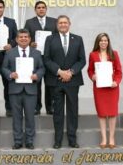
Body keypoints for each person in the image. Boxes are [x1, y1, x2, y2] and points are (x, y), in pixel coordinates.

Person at [42, 15, 85, 148]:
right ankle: (58, 140)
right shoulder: (50, 39)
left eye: (65, 22)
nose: (63, 25)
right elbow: (47, 59)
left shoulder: (78, 39)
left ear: (69, 24)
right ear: (57, 25)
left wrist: (70, 72)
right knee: (58, 112)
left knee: (72, 110)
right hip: (56, 80)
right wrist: (59, 72)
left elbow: (82, 60)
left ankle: (72, 139)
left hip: (72, 80)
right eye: (60, 23)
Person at [1, 29, 45, 150]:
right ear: (16, 39)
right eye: (21, 37)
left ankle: (30, 141)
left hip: (31, 90)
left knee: (30, 116)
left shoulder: (36, 53)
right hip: (15, 90)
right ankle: (18, 141)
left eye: (26, 37)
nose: (23, 39)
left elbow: (42, 68)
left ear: (30, 39)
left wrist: (37, 75)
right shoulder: (9, 53)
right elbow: (4, 68)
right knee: (16, 117)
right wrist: (10, 74)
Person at [87, 33, 123, 148]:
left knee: (112, 113)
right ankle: (104, 138)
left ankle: (111, 138)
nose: (103, 42)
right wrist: (92, 77)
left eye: (105, 40)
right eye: (101, 40)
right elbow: (90, 70)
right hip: (99, 89)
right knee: (102, 113)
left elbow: (119, 71)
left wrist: (116, 82)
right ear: (98, 42)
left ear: (108, 42)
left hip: (112, 88)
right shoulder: (93, 55)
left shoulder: (114, 54)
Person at [23, 0, 58, 115]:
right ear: (35, 10)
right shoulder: (29, 22)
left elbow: (58, 38)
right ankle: (36, 107)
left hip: (50, 57)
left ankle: (50, 107)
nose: (41, 9)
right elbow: (24, 37)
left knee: (50, 83)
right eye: (38, 7)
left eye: (43, 7)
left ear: (46, 9)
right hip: (35, 57)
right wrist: (30, 43)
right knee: (36, 83)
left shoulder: (54, 22)